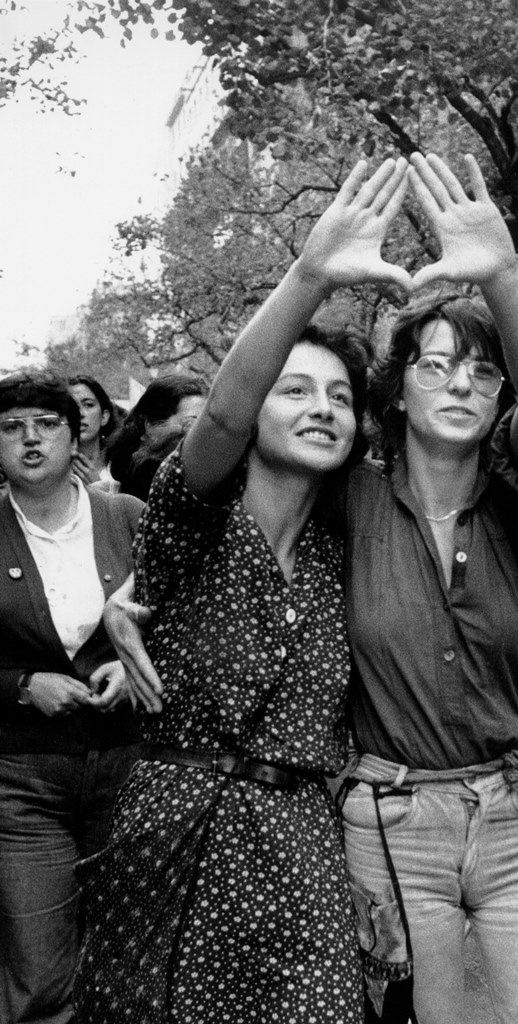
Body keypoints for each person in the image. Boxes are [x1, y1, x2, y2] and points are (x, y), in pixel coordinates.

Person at [73, 157, 421, 1024]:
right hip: (175, 833)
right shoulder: (189, 527)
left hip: (301, 839)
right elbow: (220, 415)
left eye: (340, 397)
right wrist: (310, 274)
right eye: (293, 389)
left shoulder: (347, 555)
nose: (322, 408)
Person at [0, 370, 143, 1024]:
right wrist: (22, 684)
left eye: (46, 424)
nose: (30, 440)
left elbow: (182, 617)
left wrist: (132, 664)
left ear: (76, 432)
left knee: (131, 955)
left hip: (128, 770)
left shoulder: (128, 518)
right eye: (10, 427)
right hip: (24, 781)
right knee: (42, 971)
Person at [106, 374, 208, 500]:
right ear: (150, 425)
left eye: (207, 425)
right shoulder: (107, 500)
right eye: (191, 423)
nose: (202, 434)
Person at [68, 374, 119, 490]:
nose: (80, 413)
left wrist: (99, 488)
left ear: (104, 417)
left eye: (88, 405)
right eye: (72, 406)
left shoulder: (123, 467)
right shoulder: (51, 470)